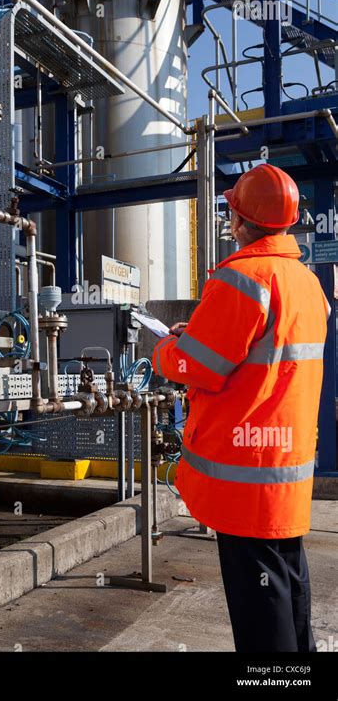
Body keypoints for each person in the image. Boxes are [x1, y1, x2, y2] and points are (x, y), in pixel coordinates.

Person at [152, 163, 330, 652]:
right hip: (285, 473)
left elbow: (198, 366)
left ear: (240, 218)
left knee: (261, 613)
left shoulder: (243, 278)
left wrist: (167, 351)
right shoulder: (307, 283)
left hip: (244, 479)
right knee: (289, 590)